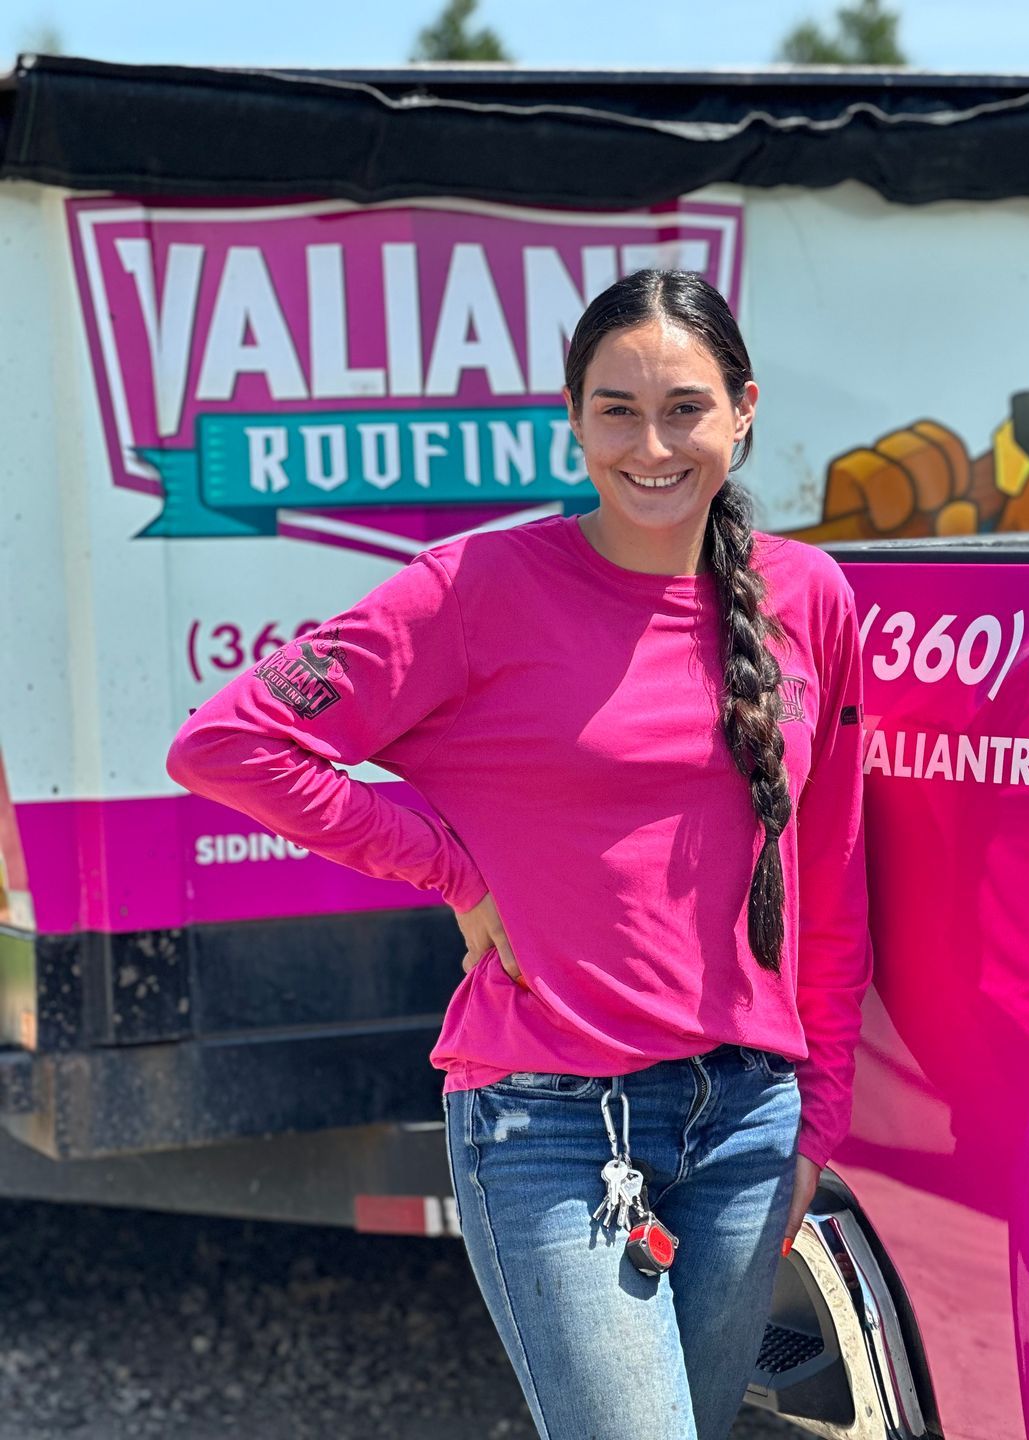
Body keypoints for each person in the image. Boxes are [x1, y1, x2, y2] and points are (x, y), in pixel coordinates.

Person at [166, 270, 873, 1440]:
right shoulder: (478, 588)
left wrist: (817, 1123)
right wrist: (453, 869)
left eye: (686, 408)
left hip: (749, 1124)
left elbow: (832, 874)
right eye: (617, 410)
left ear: (744, 412)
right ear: (573, 416)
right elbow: (228, 745)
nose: (653, 444)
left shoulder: (812, 598)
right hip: (551, 1124)